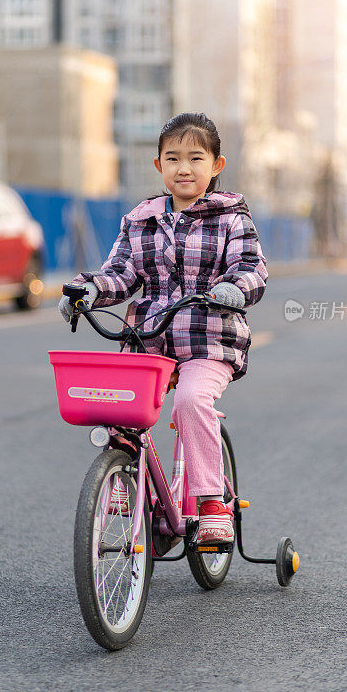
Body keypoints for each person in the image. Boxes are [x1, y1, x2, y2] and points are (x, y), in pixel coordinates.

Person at [59, 112, 268, 544]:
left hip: (208, 340)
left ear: (216, 165)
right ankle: (123, 477)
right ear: (159, 166)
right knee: (117, 401)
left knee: (190, 401)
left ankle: (211, 503)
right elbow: (121, 273)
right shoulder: (139, 221)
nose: (184, 168)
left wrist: (234, 287)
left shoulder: (232, 218)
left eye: (196, 158)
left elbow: (252, 268)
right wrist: (88, 289)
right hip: (150, 337)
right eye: (172, 159)